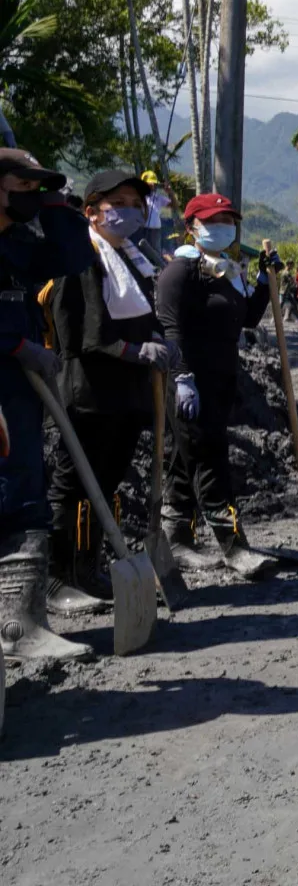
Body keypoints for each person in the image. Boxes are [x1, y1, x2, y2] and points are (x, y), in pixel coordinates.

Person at [45, 170, 176, 616]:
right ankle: (60, 578)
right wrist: (138, 350)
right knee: (75, 484)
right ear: (91, 210)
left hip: (126, 395)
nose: (128, 211)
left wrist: (159, 340)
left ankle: (91, 567)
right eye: (117, 201)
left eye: (136, 204)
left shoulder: (133, 260)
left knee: (106, 483)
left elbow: (144, 316)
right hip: (88, 393)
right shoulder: (82, 258)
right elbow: (82, 334)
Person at [154, 192, 278, 579]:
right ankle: (233, 546)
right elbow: (169, 327)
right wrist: (183, 378)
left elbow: (248, 320)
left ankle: (178, 538)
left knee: (183, 459)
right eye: (213, 220)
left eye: (228, 219)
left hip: (222, 378)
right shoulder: (181, 271)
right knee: (210, 462)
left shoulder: (227, 271)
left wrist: (263, 279)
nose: (222, 226)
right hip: (188, 380)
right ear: (191, 227)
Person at [0, 148, 94, 660]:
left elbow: (73, 258)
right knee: (10, 495)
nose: (32, 194)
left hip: (20, 390)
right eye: (24, 184)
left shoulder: (16, 244)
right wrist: (17, 346)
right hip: (7, 380)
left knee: (24, 493)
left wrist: (57, 204)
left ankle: (21, 622)